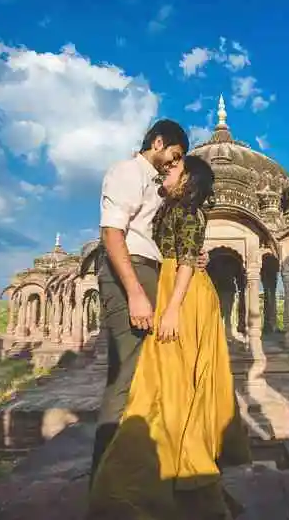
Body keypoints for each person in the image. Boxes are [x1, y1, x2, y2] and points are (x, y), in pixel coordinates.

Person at [87, 155, 251, 519]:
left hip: (185, 297)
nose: (167, 170)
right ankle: (175, 482)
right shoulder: (168, 206)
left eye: (175, 168)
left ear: (188, 179)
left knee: (174, 383)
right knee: (165, 382)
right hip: (176, 289)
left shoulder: (191, 212)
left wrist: (173, 308)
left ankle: (183, 477)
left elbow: (188, 260)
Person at [88, 120, 210, 486]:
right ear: (158, 142)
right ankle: (106, 480)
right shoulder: (127, 172)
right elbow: (112, 232)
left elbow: (169, 236)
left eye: (179, 164)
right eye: (173, 156)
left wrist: (193, 256)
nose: (174, 164)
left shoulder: (157, 187)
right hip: (131, 273)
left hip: (150, 272)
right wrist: (136, 293)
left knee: (148, 375)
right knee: (127, 376)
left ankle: (136, 469)